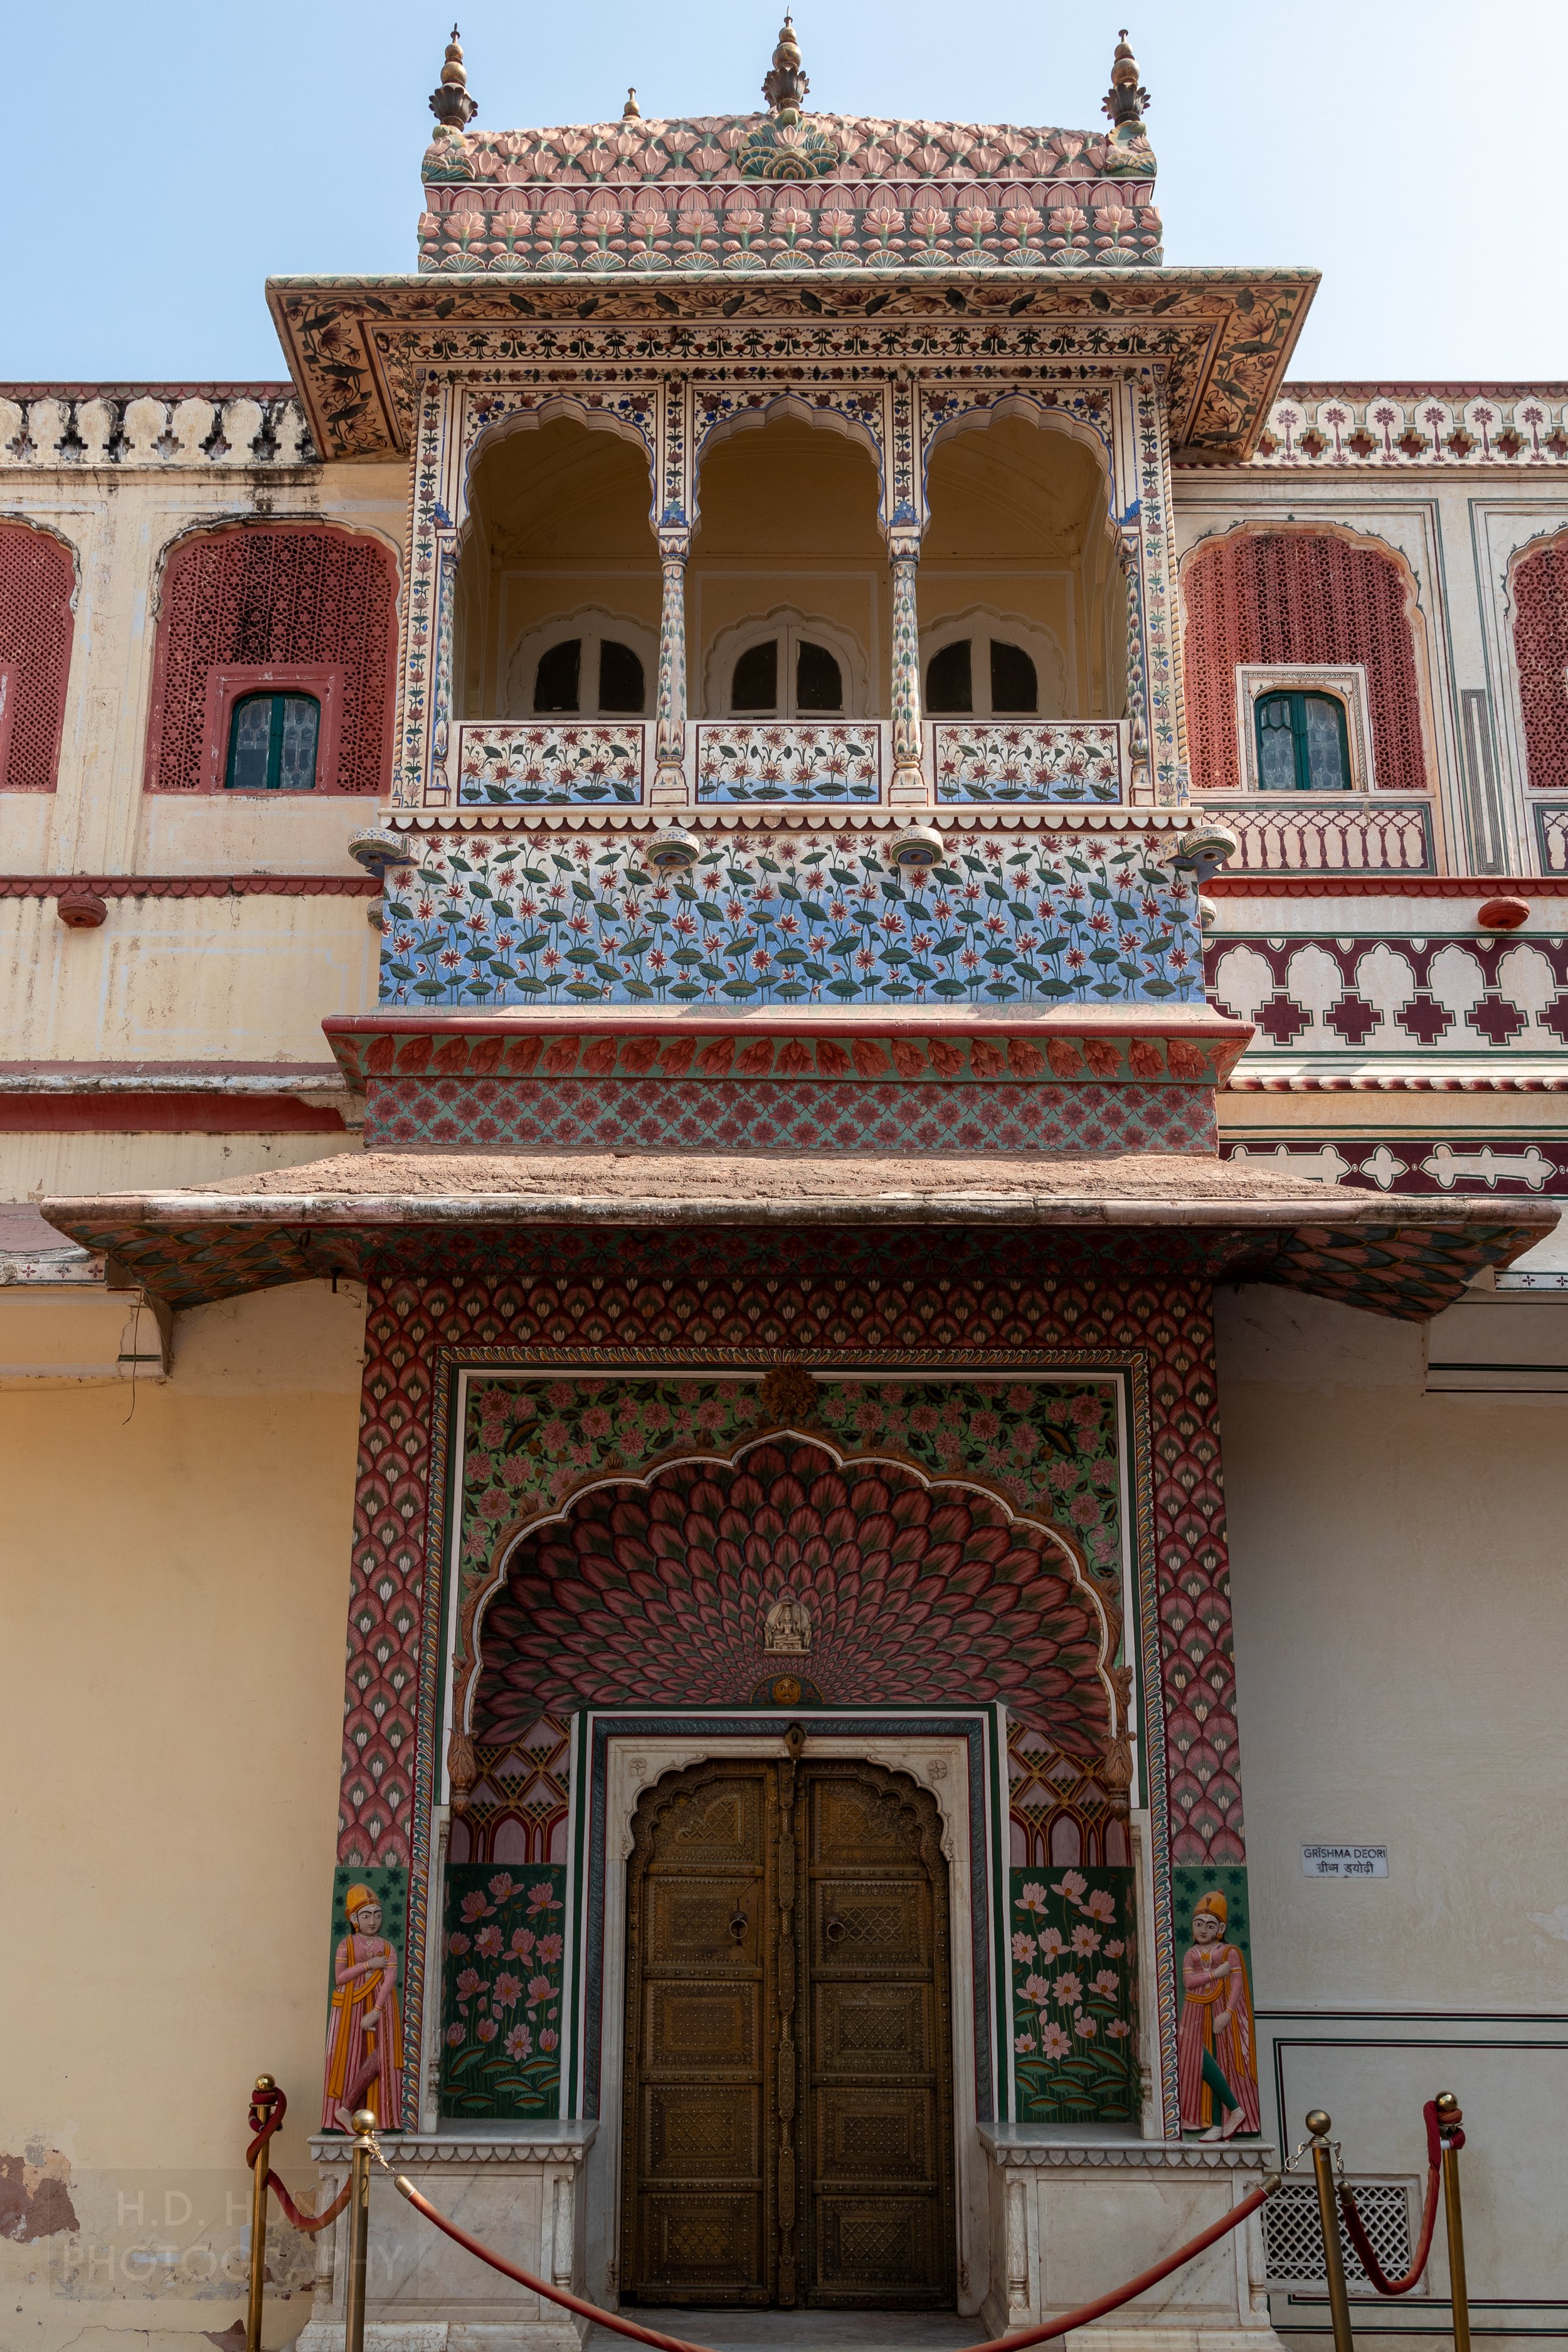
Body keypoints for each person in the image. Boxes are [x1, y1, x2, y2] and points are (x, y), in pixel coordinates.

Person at [1176, 1890, 1259, 2139]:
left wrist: (1228, 2013)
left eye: (1210, 1925)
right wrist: (1216, 1974)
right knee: (1195, 2061)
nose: (1203, 1930)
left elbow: (1237, 1984)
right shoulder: (1192, 1953)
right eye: (1198, 1924)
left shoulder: (1229, 1952)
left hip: (1220, 2010)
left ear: (1220, 1928)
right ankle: (1230, 2110)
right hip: (1193, 2011)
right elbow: (1189, 1982)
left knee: (1222, 2061)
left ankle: (1222, 2121)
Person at [320, 1885, 404, 2131]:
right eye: (366, 1915)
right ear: (355, 1919)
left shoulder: (388, 1947)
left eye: (378, 1914)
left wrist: (376, 2011)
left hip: (382, 2009)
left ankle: (350, 2108)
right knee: (348, 2057)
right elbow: (340, 1977)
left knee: (383, 2056)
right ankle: (343, 2111)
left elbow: (390, 1979)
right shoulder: (347, 1944)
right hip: (350, 2009)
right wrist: (369, 1965)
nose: (374, 1921)